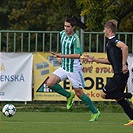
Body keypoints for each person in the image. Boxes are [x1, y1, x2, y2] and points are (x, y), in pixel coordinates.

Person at [45, 17, 100, 122]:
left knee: (79, 93)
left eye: (68, 26)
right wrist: (62, 58)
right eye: (65, 26)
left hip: (74, 68)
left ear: (73, 27)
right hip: (64, 66)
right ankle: (69, 95)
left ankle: (95, 112)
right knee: (49, 83)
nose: (65, 28)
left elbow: (78, 55)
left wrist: (62, 56)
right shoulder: (62, 34)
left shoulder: (75, 38)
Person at [85, 19, 133, 126]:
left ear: (108, 30)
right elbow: (109, 60)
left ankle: (130, 95)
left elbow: (125, 47)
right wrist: (94, 59)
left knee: (103, 94)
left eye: (104, 29)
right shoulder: (109, 44)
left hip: (120, 74)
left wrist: (124, 65)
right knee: (118, 98)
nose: (103, 31)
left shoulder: (113, 41)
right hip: (120, 74)